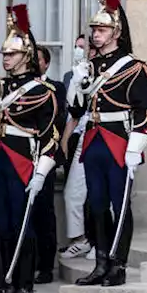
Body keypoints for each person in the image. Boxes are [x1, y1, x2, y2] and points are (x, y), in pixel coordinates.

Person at [69, 0, 147, 288]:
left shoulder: (133, 68)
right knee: (96, 204)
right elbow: (77, 109)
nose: (95, 34)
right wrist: (77, 86)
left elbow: (144, 110)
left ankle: (118, 264)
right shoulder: (89, 66)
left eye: (102, 30)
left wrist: (136, 146)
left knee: (120, 204)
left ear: (116, 32)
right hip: (93, 139)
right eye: (94, 29)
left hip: (119, 140)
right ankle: (101, 261)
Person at [0, 5, 61, 293]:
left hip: (23, 161)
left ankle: (25, 287)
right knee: (3, 227)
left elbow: (51, 136)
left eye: (10, 54)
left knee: (22, 226)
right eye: (4, 55)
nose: (6, 59)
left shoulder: (41, 91)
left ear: (26, 55)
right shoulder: (0, 88)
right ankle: (6, 284)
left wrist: (42, 171)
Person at [32, 46, 66, 284]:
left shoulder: (55, 87)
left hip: (45, 154)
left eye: (36, 61)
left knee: (44, 212)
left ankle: (45, 265)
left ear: (46, 64)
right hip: (21, 155)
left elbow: (58, 118)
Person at [59, 35, 93, 260]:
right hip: (81, 137)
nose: (79, 51)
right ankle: (79, 239)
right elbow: (74, 111)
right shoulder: (72, 75)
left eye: (83, 47)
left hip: (106, 134)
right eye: (77, 46)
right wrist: (64, 140)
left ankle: (102, 243)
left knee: (103, 196)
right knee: (72, 192)